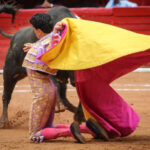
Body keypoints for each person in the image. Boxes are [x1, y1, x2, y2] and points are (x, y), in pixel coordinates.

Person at [38, 18, 150, 143]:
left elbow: (52, 49)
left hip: (82, 77)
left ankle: (87, 128)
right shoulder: (79, 42)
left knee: (98, 106)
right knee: (106, 105)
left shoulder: (65, 45)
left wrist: (46, 39)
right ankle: (87, 128)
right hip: (86, 75)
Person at [23, 13, 94, 143]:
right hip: (49, 90)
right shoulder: (45, 42)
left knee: (35, 134)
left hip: (42, 94)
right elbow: (49, 45)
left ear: (38, 31)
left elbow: (50, 50)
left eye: (33, 28)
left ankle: (71, 131)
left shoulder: (49, 44)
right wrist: (34, 46)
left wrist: (54, 32)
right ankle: (88, 128)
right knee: (48, 127)